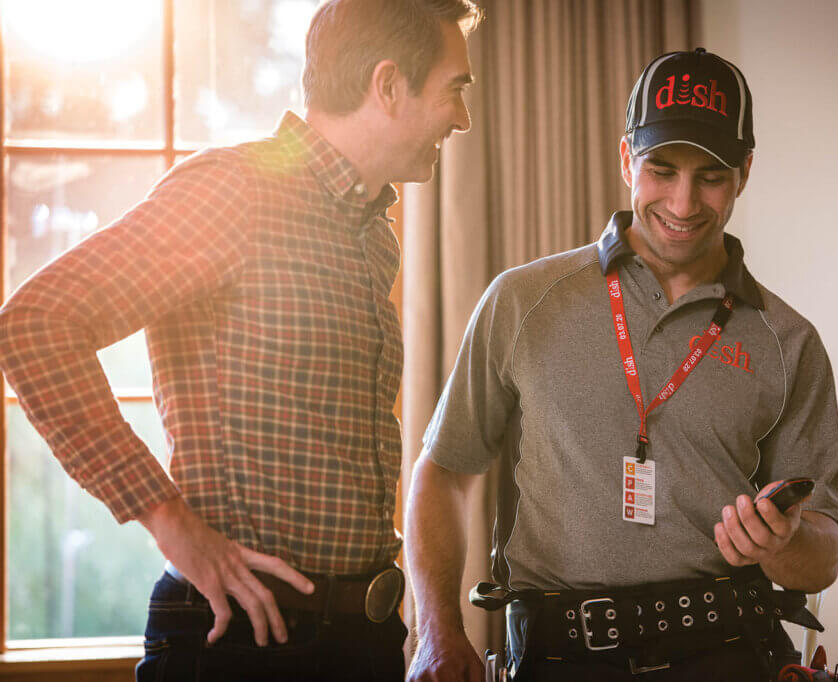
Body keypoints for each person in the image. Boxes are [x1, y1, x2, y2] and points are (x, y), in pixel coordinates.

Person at [0, 1, 481, 680]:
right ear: (388, 85)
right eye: (454, 90)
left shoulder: (374, 237)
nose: (461, 118)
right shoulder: (233, 193)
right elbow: (36, 325)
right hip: (245, 643)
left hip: (364, 641)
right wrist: (168, 521)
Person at [405, 48, 838, 682]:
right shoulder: (523, 300)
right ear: (625, 159)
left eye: (712, 176)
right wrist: (438, 634)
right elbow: (443, 473)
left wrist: (784, 546)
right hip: (556, 657)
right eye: (661, 169)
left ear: (746, 172)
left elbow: (824, 557)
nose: (683, 200)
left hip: (730, 655)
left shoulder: (789, 340)